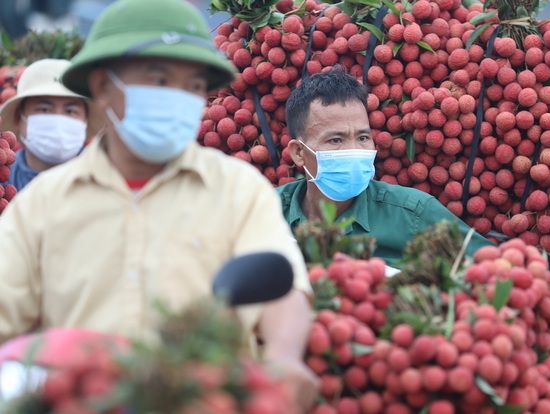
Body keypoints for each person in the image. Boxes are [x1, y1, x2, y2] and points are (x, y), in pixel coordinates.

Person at [0, 0, 318, 410]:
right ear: (101, 85)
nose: (178, 98)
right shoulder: (42, 204)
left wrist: (283, 357)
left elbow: (284, 289)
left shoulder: (239, 188)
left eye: (193, 86)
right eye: (159, 78)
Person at [278, 68, 494, 265]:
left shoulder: (413, 213)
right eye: (336, 140)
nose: (355, 150)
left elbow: (498, 270)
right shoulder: (265, 211)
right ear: (298, 153)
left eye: (363, 137)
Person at [0, 58, 105, 191]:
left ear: (86, 120)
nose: (58, 119)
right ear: (18, 117)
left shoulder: (112, 180)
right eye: (45, 109)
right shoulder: (4, 180)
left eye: (70, 111)